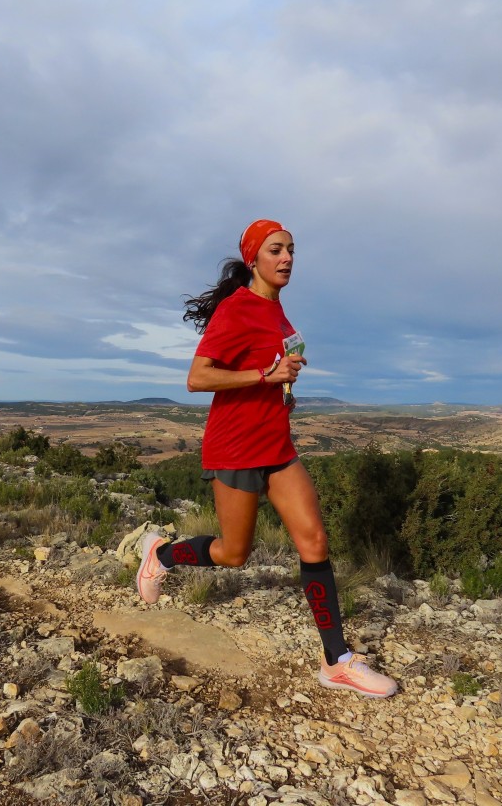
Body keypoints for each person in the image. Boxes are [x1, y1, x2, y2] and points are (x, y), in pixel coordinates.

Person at [136, 220, 397, 699]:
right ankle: (161, 555)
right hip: (235, 446)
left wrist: (284, 389)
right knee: (233, 554)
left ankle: (336, 659)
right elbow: (197, 378)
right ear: (253, 257)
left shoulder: (279, 313)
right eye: (276, 250)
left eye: (292, 251)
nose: (287, 259)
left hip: (276, 444)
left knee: (314, 541)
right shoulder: (237, 309)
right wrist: (265, 375)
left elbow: (273, 374)